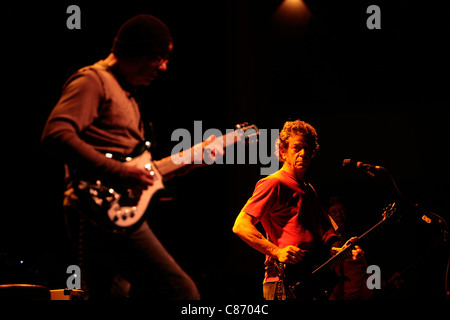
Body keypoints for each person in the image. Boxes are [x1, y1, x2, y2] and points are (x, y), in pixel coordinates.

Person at [41, 14, 219, 300]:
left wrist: (192, 159)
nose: (164, 67)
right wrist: (119, 173)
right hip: (96, 209)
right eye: (157, 57)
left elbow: (138, 168)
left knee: (110, 295)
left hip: (111, 210)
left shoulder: (128, 95)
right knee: (181, 292)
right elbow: (56, 135)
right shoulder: (92, 81)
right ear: (133, 51)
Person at [232, 119, 363, 300]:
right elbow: (240, 225)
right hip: (284, 281)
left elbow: (321, 236)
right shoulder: (273, 183)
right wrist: (277, 252)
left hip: (310, 279)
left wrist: (340, 251)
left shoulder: (309, 189)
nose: (303, 153)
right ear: (283, 152)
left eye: (308, 149)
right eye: (297, 148)